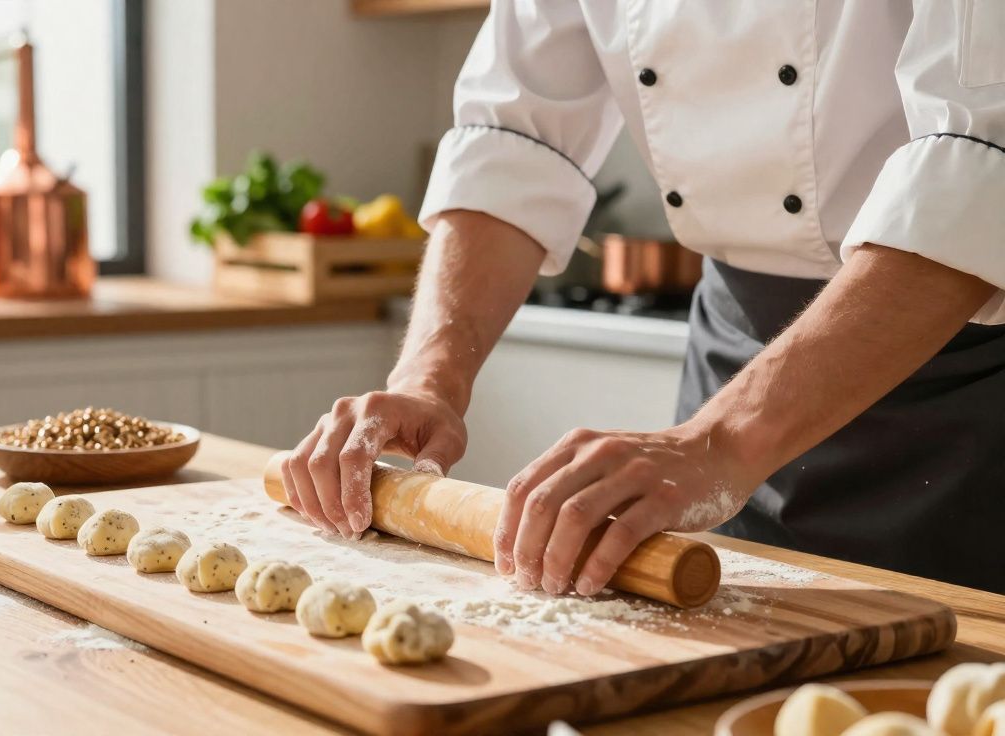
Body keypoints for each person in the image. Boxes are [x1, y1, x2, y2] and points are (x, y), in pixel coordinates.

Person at [280, 1, 1005, 594]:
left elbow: (978, 168)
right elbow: (511, 136)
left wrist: (720, 442)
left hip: (965, 377)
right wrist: (427, 379)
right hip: (735, 361)